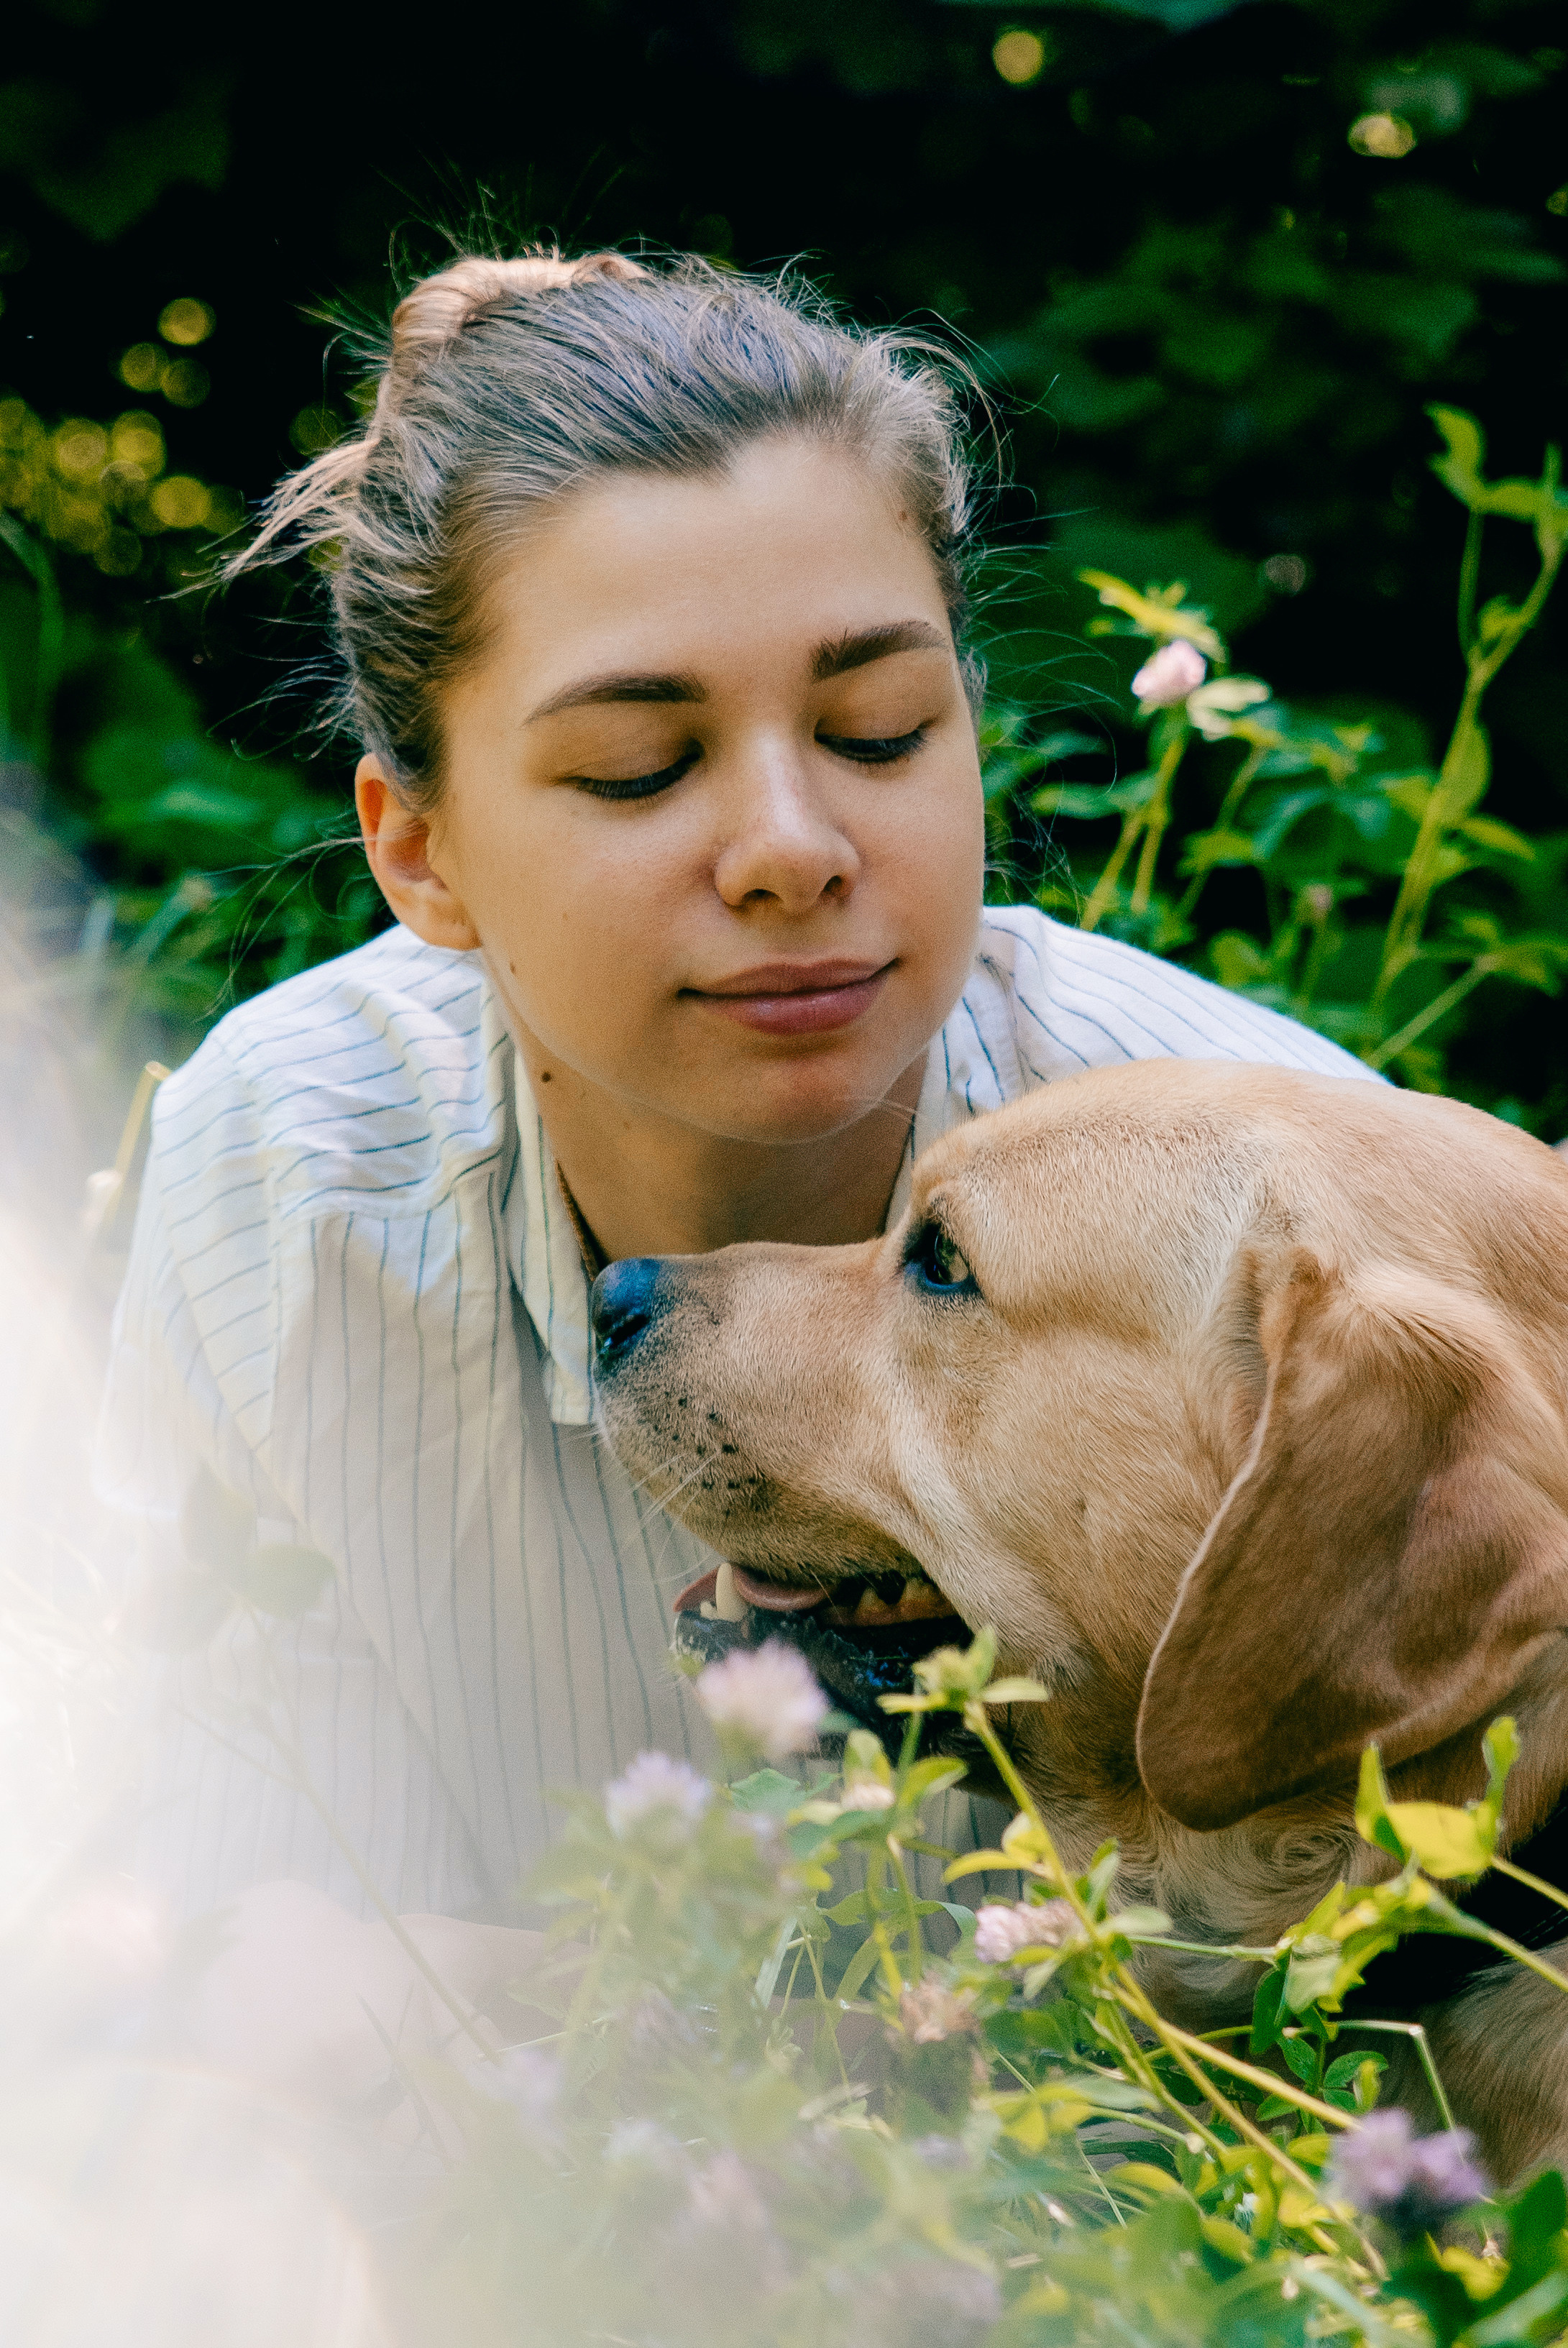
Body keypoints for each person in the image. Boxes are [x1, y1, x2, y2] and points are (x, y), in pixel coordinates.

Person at [96, 247, 1371, 2020]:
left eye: (877, 731)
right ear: (418, 852)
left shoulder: (1280, 1200)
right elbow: (229, 1962)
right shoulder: (291, 1176)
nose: (790, 846)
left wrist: (523, 2021)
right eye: (638, 763)